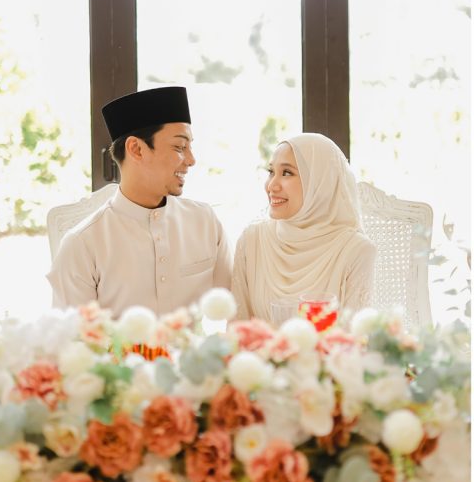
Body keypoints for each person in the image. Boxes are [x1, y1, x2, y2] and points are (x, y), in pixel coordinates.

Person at [48, 86, 232, 316]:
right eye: (179, 147)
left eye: (190, 147)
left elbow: (235, 309)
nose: (191, 160)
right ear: (136, 149)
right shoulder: (82, 244)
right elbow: (73, 335)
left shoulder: (205, 222)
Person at [232, 132, 376, 323]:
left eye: (287, 173)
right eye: (271, 172)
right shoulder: (251, 241)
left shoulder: (356, 250)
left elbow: (355, 336)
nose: (271, 186)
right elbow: (237, 328)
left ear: (319, 182)